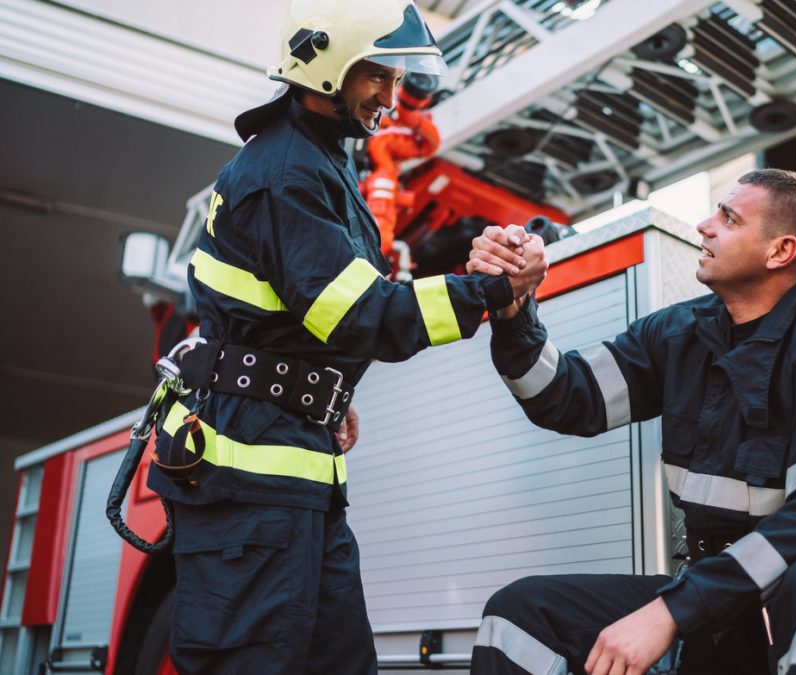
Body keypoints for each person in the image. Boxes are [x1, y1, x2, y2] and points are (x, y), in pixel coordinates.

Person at [145, 1, 547, 673]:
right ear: (329, 64)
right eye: (379, 76)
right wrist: (491, 288)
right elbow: (360, 312)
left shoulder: (320, 161)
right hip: (252, 483)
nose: (392, 98)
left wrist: (321, 385)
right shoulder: (285, 173)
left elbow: (301, 316)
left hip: (289, 477)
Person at [465, 169, 796, 674]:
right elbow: (566, 397)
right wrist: (513, 304)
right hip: (715, 602)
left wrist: (672, 610)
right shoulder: (678, 334)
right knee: (520, 614)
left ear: (779, 252)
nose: (704, 225)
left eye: (728, 218)